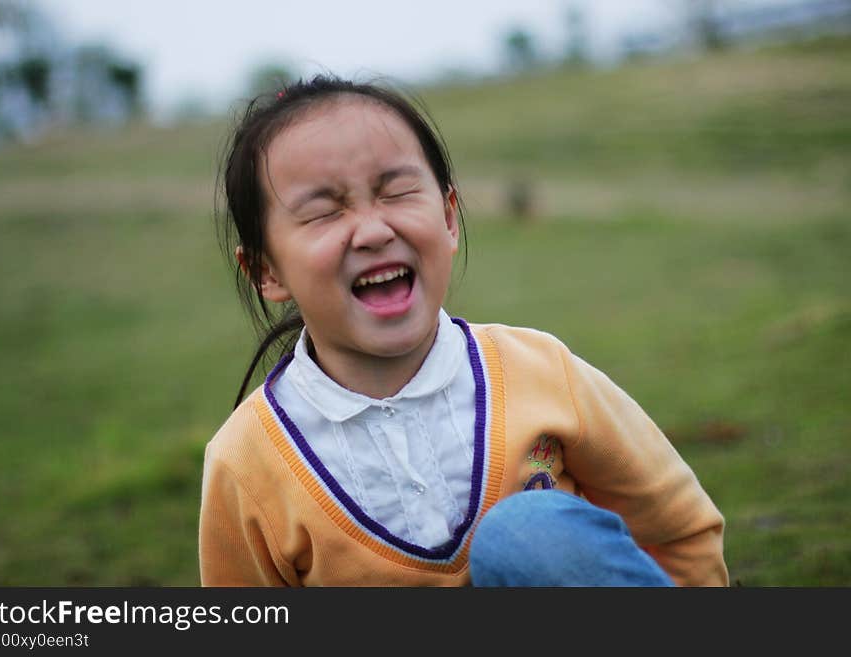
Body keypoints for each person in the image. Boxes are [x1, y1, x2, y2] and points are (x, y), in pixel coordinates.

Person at [198, 75, 729, 587]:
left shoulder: (542, 370)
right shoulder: (245, 462)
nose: (374, 230)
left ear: (449, 217)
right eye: (323, 212)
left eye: (396, 191)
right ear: (266, 270)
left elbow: (680, 530)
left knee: (526, 534)